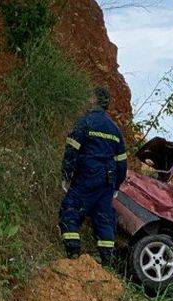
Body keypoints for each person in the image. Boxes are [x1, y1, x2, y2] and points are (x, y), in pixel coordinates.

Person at [58, 87, 127, 266]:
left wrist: (66, 175)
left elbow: (71, 150)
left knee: (70, 210)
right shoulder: (115, 130)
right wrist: (116, 186)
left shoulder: (85, 122)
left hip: (87, 176)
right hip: (107, 181)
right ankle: (107, 259)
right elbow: (122, 163)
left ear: (94, 100)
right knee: (104, 218)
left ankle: (73, 253)